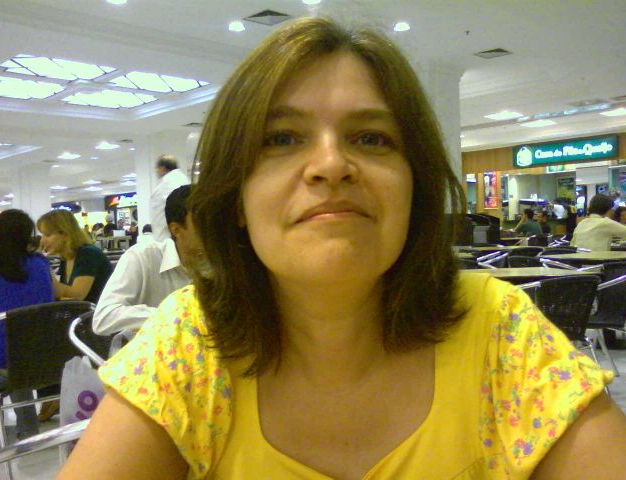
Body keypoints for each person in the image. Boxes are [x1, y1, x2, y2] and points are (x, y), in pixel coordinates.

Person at [58, 18, 626, 480]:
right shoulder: (190, 343)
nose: (331, 165)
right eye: (281, 139)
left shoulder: (497, 330)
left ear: (415, 185)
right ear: (236, 198)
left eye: (371, 138)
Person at [0, 210, 54, 449]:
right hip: (41, 363)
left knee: (2, 351)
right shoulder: (40, 264)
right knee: (17, 349)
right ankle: (29, 433)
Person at [93, 186, 198, 335]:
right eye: (203, 224)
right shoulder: (143, 257)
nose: (213, 231)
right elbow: (104, 317)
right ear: (176, 230)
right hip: (149, 348)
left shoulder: (218, 265)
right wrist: (173, 316)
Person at [38, 210, 112, 303]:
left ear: (65, 234)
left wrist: (41, 263)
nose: (42, 241)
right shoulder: (66, 257)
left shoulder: (88, 254)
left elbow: (78, 296)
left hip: (97, 311)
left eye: (47, 235)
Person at [150, 155, 189, 241]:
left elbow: (163, 214)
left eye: (157, 169)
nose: (156, 172)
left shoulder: (167, 184)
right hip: (179, 233)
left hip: (169, 237)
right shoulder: (183, 179)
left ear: (162, 168)